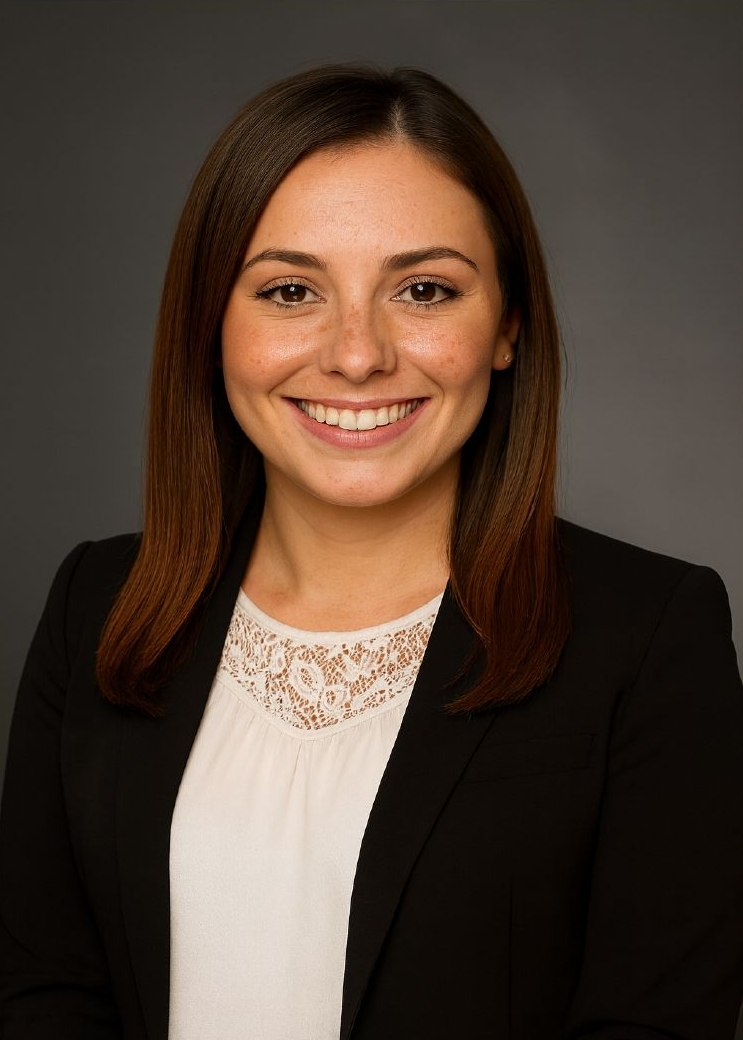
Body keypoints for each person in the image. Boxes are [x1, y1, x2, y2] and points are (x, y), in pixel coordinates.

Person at [1, 61, 742, 1040]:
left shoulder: (648, 638)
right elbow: (42, 993)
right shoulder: (96, 603)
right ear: (210, 323)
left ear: (506, 325)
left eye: (424, 289)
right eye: (290, 290)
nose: (357, 355)